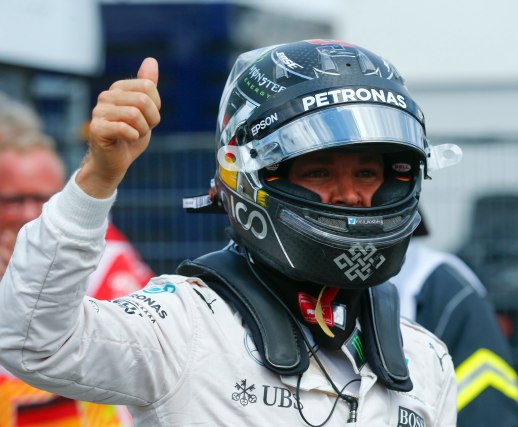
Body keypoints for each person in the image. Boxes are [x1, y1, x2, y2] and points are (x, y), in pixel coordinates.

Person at [0, 40, 463, 426]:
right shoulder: (185, 326)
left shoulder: (424, 358)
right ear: (251, 179)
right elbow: (33, 341)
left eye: (367, 174)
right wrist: (97, 179)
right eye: (319, 172)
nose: (350, 195)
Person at [0, 100, 154, 426]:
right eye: (12, 200)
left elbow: (142, 357)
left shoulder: (102, 253)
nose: (29, 213)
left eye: (43, 198)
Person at [392, 213, 518, 426]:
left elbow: (489, 414)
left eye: (366, 177)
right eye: (320, 177)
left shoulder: (451, 296)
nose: (348, 196)